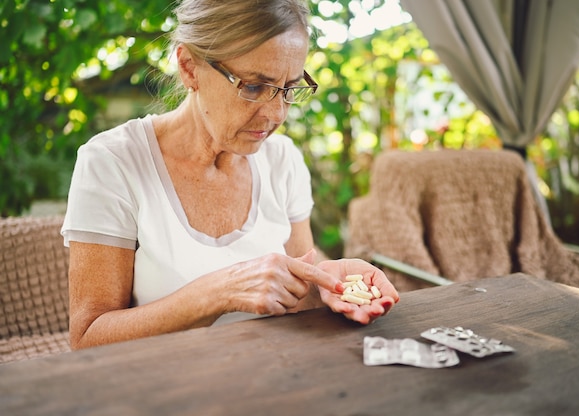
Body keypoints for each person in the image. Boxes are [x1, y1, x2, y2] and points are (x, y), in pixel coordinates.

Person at [61, 0, 399, 350]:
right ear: (189, 67)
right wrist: (219, 292)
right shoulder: (113, 163)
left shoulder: (282, 161)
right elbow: (88, 338)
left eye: (289, 89)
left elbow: (302, 278)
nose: (276, 114)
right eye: (253, 86)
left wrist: (332, 283)